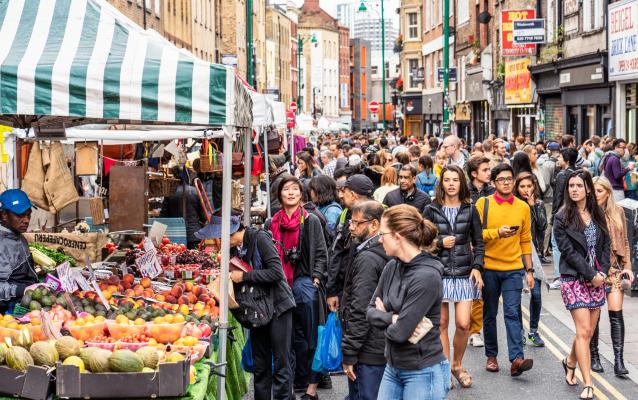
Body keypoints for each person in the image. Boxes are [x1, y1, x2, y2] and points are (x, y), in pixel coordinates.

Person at [367, 204, 450, 400]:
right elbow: (370, 312)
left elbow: (400, 333)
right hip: (392, 367)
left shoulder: (427, 277)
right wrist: (396, 318)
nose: (379, 239)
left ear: (398, 236)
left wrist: (388, 318)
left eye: (383, 234)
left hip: (422, 371)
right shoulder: (391, 267)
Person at [212, 216, 295, 400]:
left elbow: (276, 272)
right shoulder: (233, 249)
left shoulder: (260, 238)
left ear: (232, 232)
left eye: (220, 236)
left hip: (278, 307)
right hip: (258, 310)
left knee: (281, 364)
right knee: (260, 365)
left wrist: (244, 277)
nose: (218, 241)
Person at [266, 176, 328, 399]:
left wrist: (317, 279)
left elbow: (321, 252)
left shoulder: (310, 221)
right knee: (285, 340)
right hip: (279, 285)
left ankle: (311, 386)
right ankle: (289, 387)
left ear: (301, 194)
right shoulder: (271, 223)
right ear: (279, 194)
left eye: (295, 189)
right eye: (286, 189)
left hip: (304, 283)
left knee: (310, 337)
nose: (291, 193)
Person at [423, 165, 484, 389]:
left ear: (461, 183)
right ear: (441, 184)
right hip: (438, 273)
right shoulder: (430, 210)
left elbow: (479, 243)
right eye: (447, 180)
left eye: (455, 180)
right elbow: (421, 241)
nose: (450, 184)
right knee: (440, 323)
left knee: (463, 324)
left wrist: (477, 267)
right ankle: (445, 368)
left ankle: (457, 365)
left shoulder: (470, 209)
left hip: (463, 272)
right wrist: (439, 243)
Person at [554, 170, 610, 400]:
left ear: (588, 188)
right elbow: (568, 252)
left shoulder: (597, 214)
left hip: (597, 277)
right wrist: (591, 275)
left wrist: (603, 272)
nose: (574, 189)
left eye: (578, 185)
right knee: (584, 331)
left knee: (586, 332)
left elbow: (606, 245)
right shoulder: (561, 217)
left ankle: (570, 360)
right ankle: (588, 383)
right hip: (574, 278)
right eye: (570, 186)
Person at [476, 164, 535, 377]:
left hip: (513, 269)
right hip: (489, 269)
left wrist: (529, 271)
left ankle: (516, 359)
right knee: (490, 314)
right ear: (493, 183)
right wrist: (496, 233)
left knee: (512, 312)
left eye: (509, 179)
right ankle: (491, 356)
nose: (507, 182)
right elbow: (475, 236)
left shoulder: (523, 207)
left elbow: (525, 240)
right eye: (501, 179)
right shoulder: (483, 204)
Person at [341, 201, 390, 400]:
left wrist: (351, 351)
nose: (351, 228)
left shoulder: (368, 258)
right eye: (350, 223)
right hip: (378, 344)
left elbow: (360, 307)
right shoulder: (376, 250)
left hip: (369, 348)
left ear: (375, 225)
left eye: (357, 223)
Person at [591, 176, 636, 376]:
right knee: (594, 316)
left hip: (615, 271)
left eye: (599, 191)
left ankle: (618, 361)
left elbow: (625, 241)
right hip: (595, 271)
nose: (595, 194)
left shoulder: (618, 211)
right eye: (592, 191)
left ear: (608, 192)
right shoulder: (588, 213)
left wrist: (628, 267)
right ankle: (594, 356)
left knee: (615, 314)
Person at [326, 175, 375, 314]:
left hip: (356, 287)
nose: (341, 196)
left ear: (353, 195)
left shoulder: (378, 215)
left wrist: (332, 290)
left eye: (344, 191)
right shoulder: (344, 215)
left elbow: (336, 254)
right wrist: (332, 290)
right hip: (353, 286)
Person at [513, 172, 547, 347]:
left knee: (536, 295)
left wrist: (533, 206)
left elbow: (542, 228)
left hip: (534, 256)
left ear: (534, 186)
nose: (526, 190)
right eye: (522, 186)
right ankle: (519, 331)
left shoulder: (539, 205)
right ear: (517, 188)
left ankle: (533, 330)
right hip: (516, 253)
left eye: (529, 186)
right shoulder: (514, 205)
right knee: (517, 296)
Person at [0, 189, 37, 313]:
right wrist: (22, 289)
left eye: (28, 215)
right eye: (20, 215)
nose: (26, 220)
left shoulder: (19, 237)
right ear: (4, 214)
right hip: (7, 314)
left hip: (26, 303)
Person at [549, 148, 579, 289]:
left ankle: (559, 276)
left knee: (556, 244)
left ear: (566, 160)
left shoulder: (562, 175)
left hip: (562, 214)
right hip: (575, 213)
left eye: (560, 157)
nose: (558, 160)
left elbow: (558, 197)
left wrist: (553, 217)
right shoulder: (579, 173)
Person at [161, 166, 206, 249]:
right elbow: (203, 216)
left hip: (175, 236)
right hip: (194, 235)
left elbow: (163, 215)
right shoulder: (196, 192)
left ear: (174, 176)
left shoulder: (169, 193)